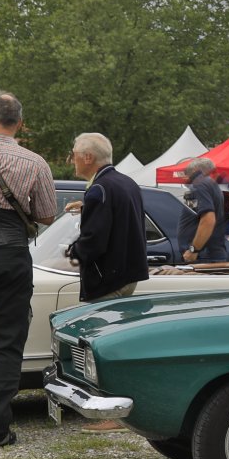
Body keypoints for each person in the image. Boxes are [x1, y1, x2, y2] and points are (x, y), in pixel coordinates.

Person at [0, 91, 56, 451]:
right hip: (11, 254)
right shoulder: (35, 162)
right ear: (20, 123)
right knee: (7, 344)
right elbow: (47, 214)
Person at [65, 132, 149, 431]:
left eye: (74, 154)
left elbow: (94, 241)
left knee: (102, 348)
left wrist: (73, 251)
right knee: (118, 342)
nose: (72, 160)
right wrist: (87, 207)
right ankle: (122, 409)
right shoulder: (124, 182)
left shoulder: (99, 188)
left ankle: (114, 413)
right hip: (128, 273)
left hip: (107, 277)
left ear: (88, 157)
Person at [178, 157, 227, 263]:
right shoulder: (211, 185)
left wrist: (193, 250)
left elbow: (208, 220)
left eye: (187, 173)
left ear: (196, 171)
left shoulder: (200, 184)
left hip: (203, 256)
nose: (185, 178)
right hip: (210, 253)